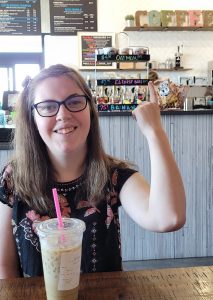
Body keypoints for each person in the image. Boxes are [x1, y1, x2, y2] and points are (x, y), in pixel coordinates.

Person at [0, 64, 186, 278]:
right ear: (32, 118)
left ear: (90, 109)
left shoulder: (114, 176)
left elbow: (169, 218)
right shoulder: (13, 179)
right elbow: (5, 269)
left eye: (75, 102)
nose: (63, 114)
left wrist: (155, 132)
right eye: (48, 106)